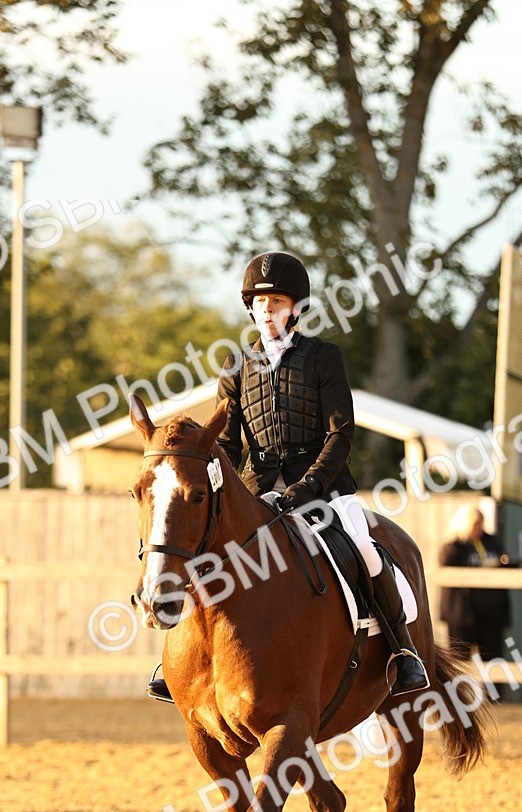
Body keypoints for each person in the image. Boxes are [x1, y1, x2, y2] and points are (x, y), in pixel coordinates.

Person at [146, 250, 428, 702]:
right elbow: (230, 444)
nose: (267, 310)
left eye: (276, 301)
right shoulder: (235, 367)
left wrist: (308, 487)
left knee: (364, 548)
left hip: (324, 489)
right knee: (201, 547)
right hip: (256, 489)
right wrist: (226, 482)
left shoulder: (323, 358)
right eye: (259, 303)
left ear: (296, 307)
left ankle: (401, 650)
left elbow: (341, 435)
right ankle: (181, 662)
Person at [439, 505, 510, 661]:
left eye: (481, 524)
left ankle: (491, 687)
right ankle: (458, 687)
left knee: (493, 660)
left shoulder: (492, 542)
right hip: (462, 614)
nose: (479, 529)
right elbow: (446, 572)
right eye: (475, 525)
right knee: (459, 661)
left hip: (491, 614)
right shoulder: (453, 547)